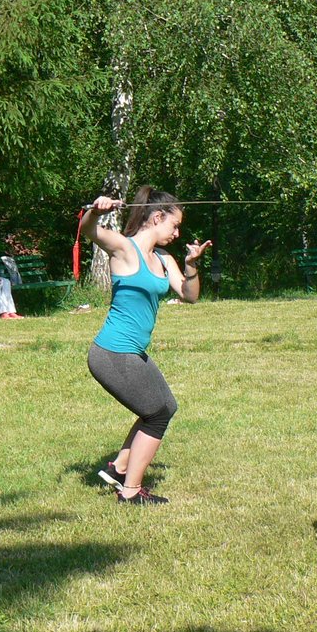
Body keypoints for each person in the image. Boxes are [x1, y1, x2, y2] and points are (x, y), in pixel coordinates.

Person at [82, 187, 211, 505]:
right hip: (112, 353)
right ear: (157, 217)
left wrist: (192, 265)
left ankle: (118, 468)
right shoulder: (124, 249)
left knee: (164, 406)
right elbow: (88, 231)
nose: (177, 234)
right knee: (156, 413)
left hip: (134, 353)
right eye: (174, 225)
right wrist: (96, 211)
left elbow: (189, 295)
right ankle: (130, 491)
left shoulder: (164, 258)